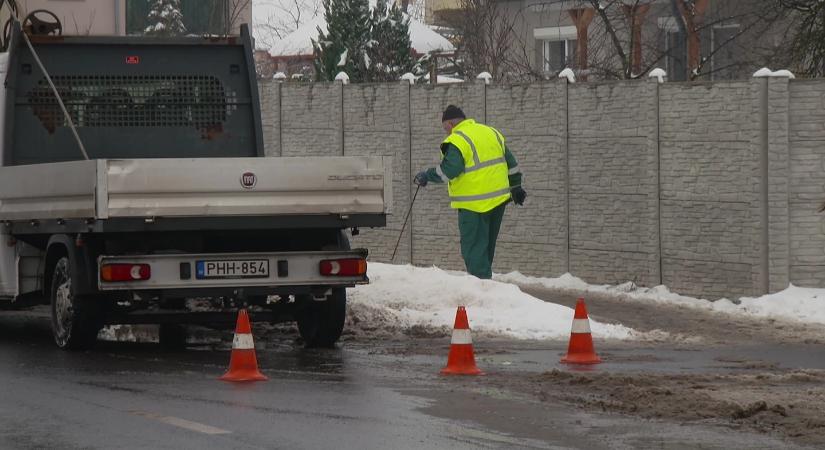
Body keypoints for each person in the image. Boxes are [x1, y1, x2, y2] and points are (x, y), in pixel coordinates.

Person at [414, 105, 526, 279]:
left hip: (474, 205)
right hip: (499, 201)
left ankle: (481, 290)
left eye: (445, 129)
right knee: (486, 248)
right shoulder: (491, 132)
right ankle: (486, 286)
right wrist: (516, 187)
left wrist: (427, 176)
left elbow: (450, 170)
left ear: (450, 124)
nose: (446, 133)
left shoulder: (458, 139)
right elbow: (511, 163)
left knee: (473, 250)